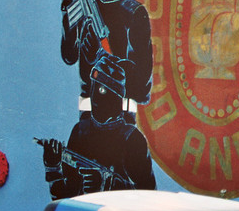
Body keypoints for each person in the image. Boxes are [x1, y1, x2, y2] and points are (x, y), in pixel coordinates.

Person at [60, 0, 153, 121]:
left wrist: (101, 58)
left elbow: (142, 88)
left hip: (121, 121)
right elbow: (68, 55)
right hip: (87, 118)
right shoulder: (86, 3)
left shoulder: (135, 13)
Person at [42, 53, 157, 199]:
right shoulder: (80, 132)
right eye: (94, 88)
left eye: (102, 91)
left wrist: (108, 183)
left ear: (116, 98)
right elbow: (64, 199)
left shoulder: (132, 140)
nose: (95, 98)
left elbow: (149, 197)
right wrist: (53, 168)